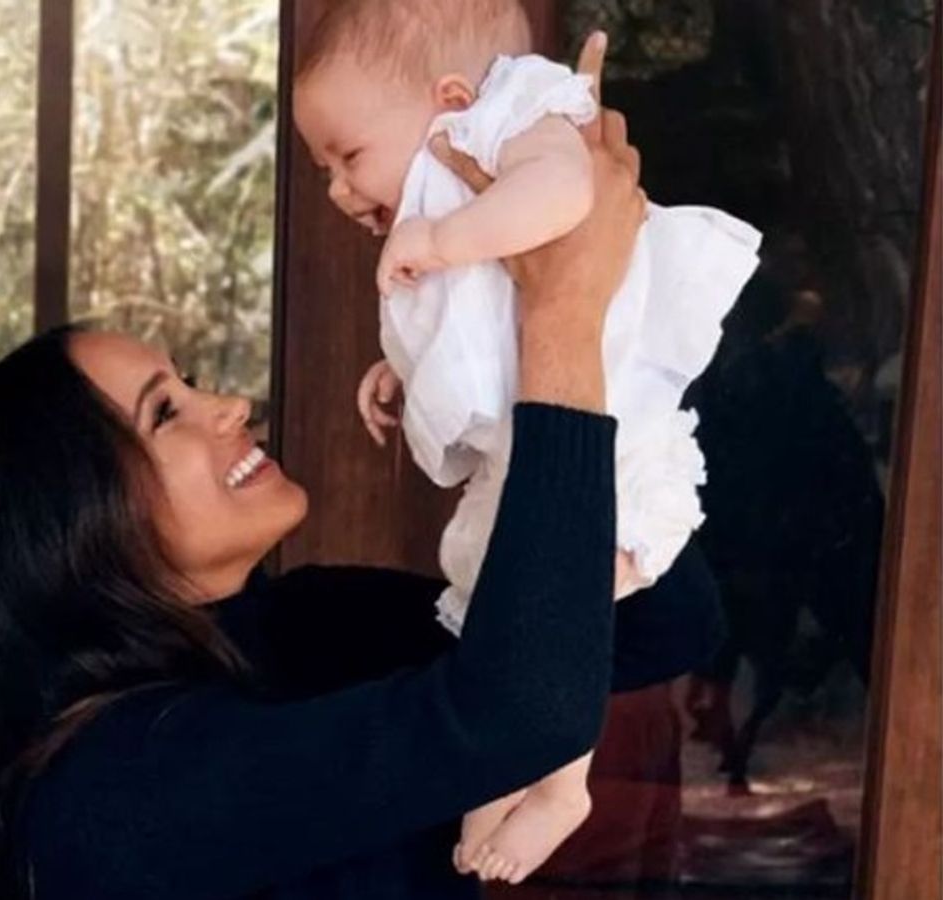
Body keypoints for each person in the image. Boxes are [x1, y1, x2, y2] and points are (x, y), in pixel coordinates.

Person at [0, 36, 724, 899]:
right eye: (166, 412)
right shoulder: (116, 786)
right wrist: (560, 317)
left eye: (193, 383)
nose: (230, 407)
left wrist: (546, 328)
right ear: (71, 523)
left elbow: (662, 625)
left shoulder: (303, 626)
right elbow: (521, 713)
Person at [292, 0, 759, 877]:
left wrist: (441, 236)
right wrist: (401, 367)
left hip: (606, 428)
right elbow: (481, 321)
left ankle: (560, 781)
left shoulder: (522, 116)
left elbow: (565, 194)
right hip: (538, 434)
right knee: (506, 599)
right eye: (324, 168)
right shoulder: (455, 184)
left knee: (559, 597)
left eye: (349, 157)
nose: (339, 190)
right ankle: (511, 768)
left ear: (452, 96)